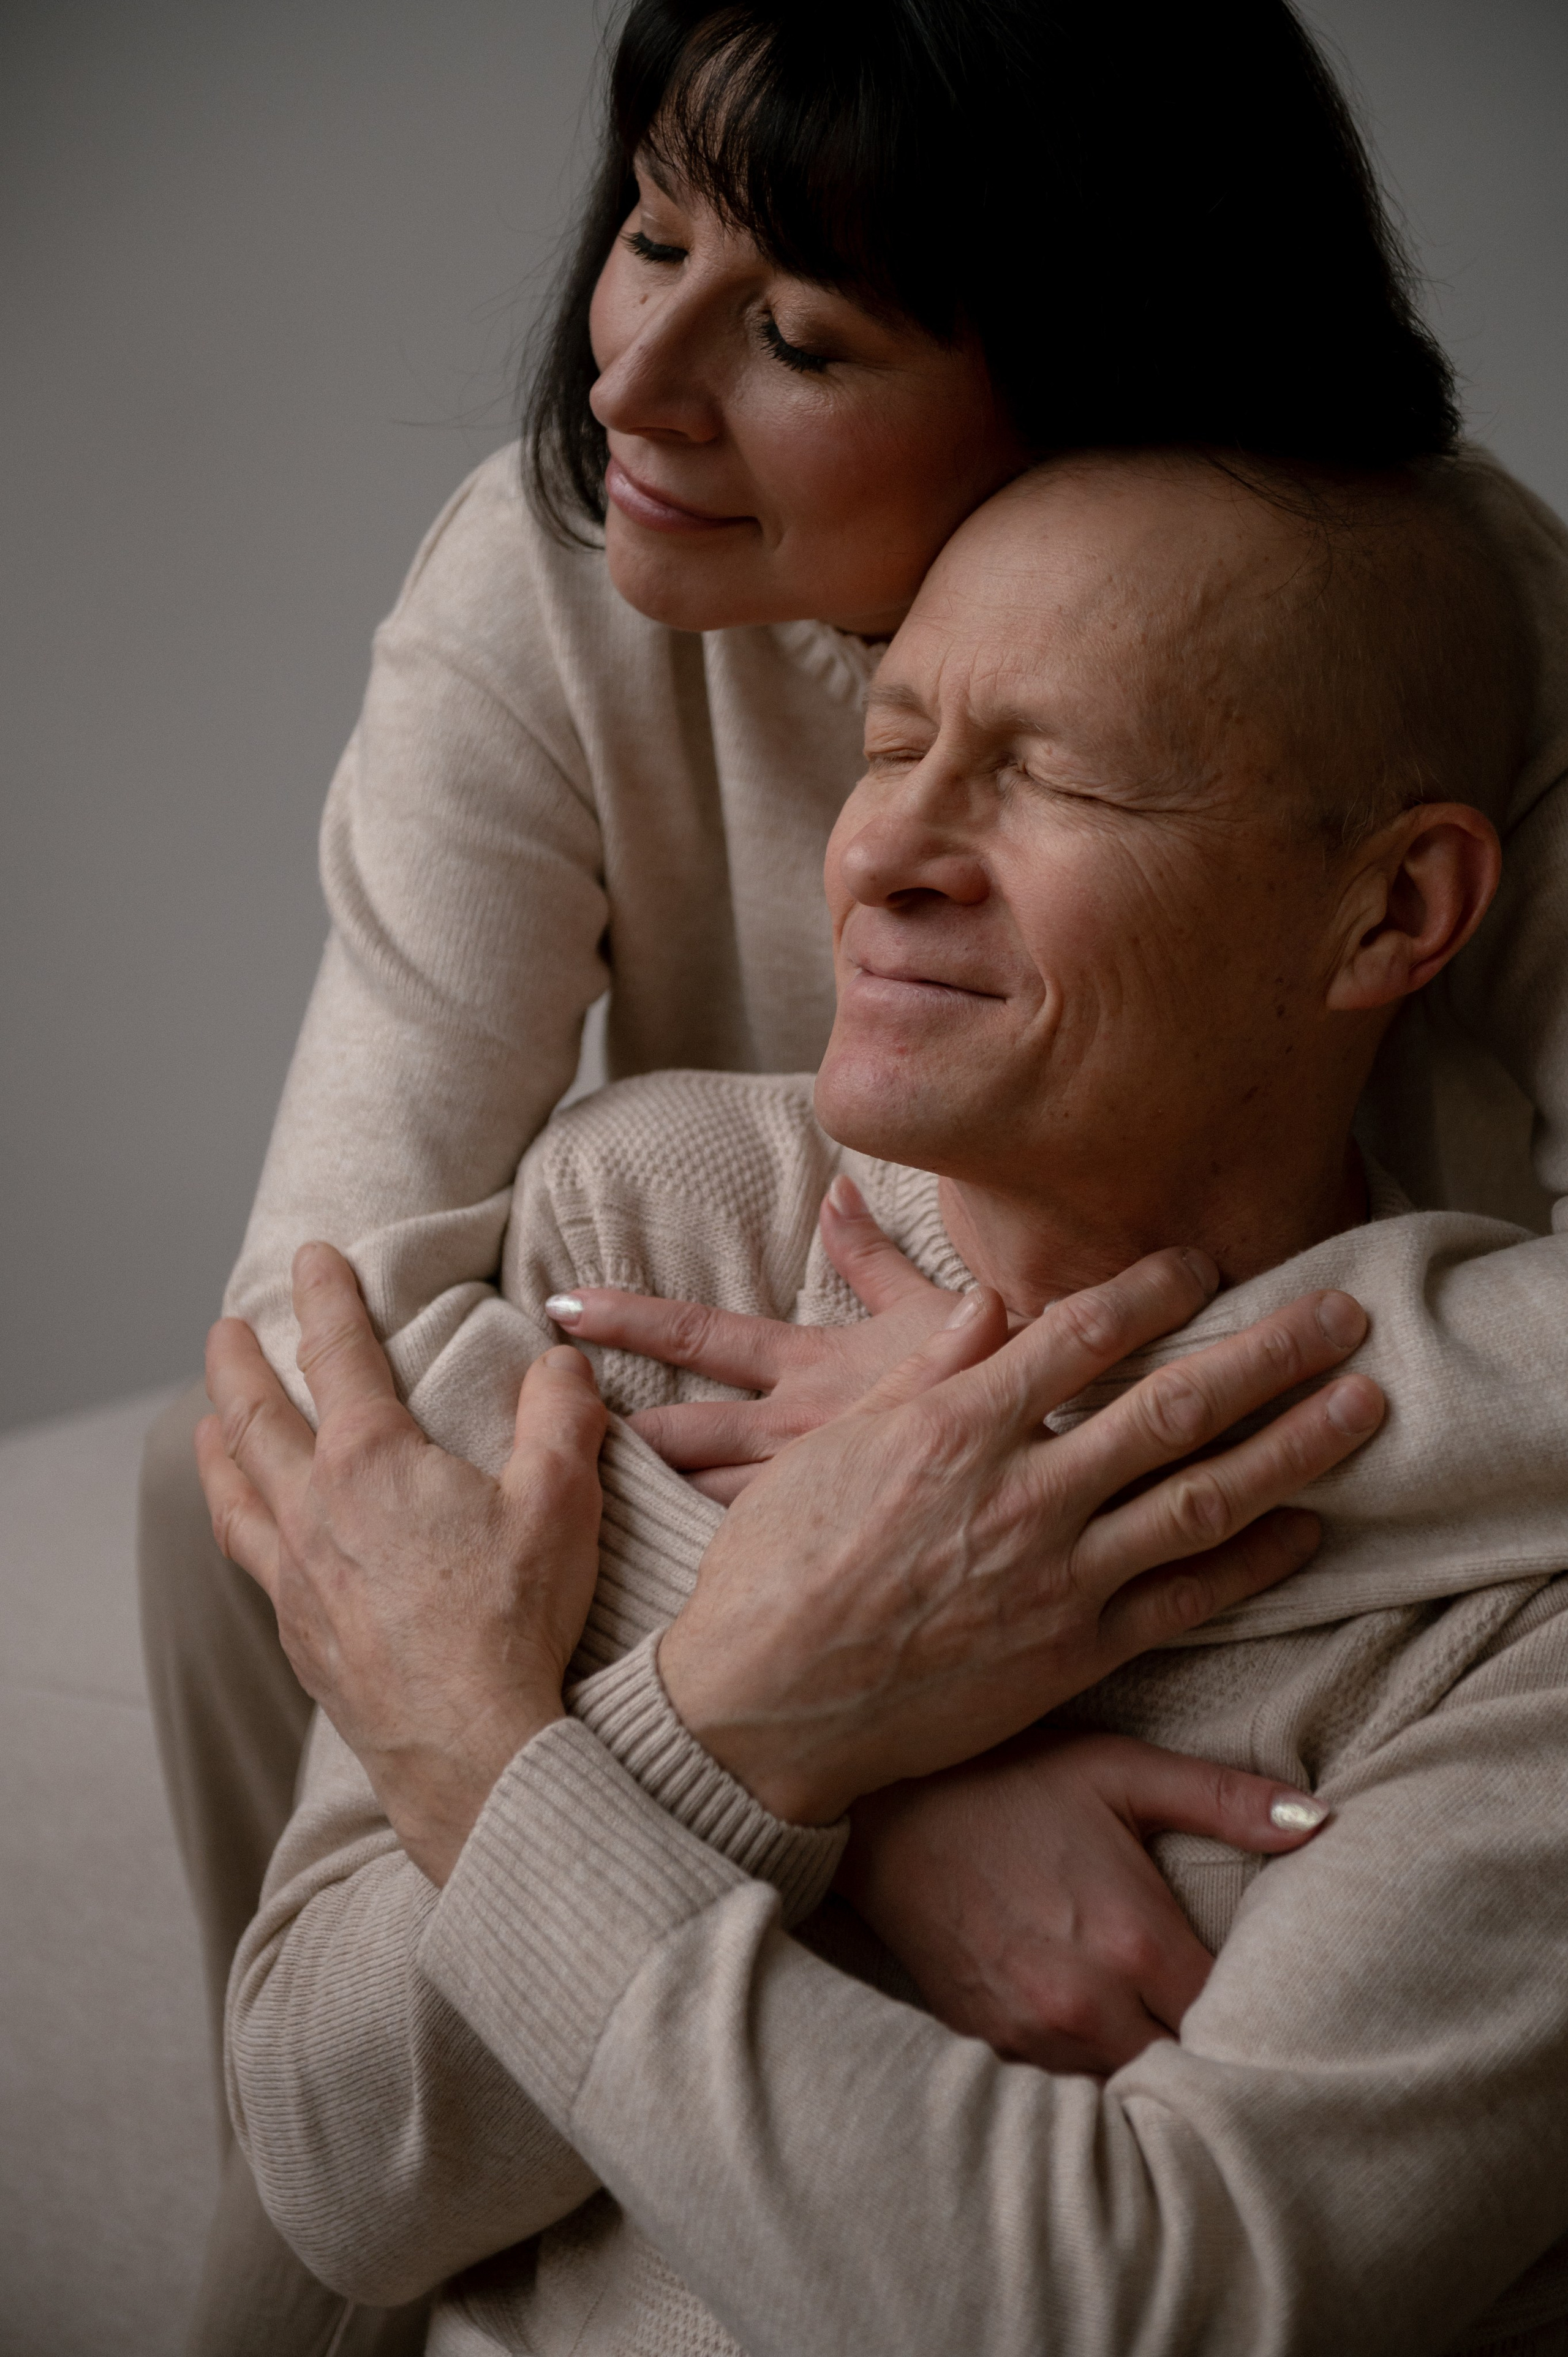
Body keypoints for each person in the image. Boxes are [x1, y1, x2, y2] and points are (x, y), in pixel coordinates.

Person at [136, 1, 1568, 2347]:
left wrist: (1059, 1447)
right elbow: (336, 1370)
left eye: (797, 329)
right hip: (732, 1349)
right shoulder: (554, 589)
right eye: (646, 235)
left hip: (1236, 1320)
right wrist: (831, 1711)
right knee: (245, 1548)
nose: (629, 382)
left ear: (1103, 385)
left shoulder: (1447, 627)